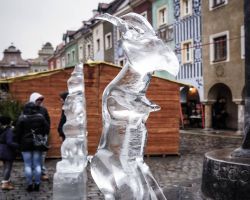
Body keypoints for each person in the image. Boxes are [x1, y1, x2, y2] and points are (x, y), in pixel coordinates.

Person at [14, 102, 49, 192]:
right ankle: (37, 184)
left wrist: (17, 142)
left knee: (28, 165)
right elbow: (46, 129)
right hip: (37, 143)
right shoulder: (41, 117)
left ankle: (30, 184)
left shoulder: (22, 118)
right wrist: (41, 135)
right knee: (37, 164)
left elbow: (17, 132)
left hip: (25, 143)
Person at [29, 92, 50, 181]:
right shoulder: (27, 109)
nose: (40, 101)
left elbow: (48, 121)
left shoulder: (43, 110)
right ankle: (33, 173)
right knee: (32, 155)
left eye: (41, 100)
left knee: (42, 155)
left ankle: (42, 172)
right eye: (38, 99)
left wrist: (46, 133)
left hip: (42, 136)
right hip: (30, 136)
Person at [0, 116, 18, 190]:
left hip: (1, 149)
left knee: (5, 166)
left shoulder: (1, 129)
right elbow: (9, 142)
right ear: (8, 122)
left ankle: (6, 180)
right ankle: (5, 183)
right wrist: (18, 145)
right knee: (8, 167)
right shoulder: (9, 130)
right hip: (7, 150)